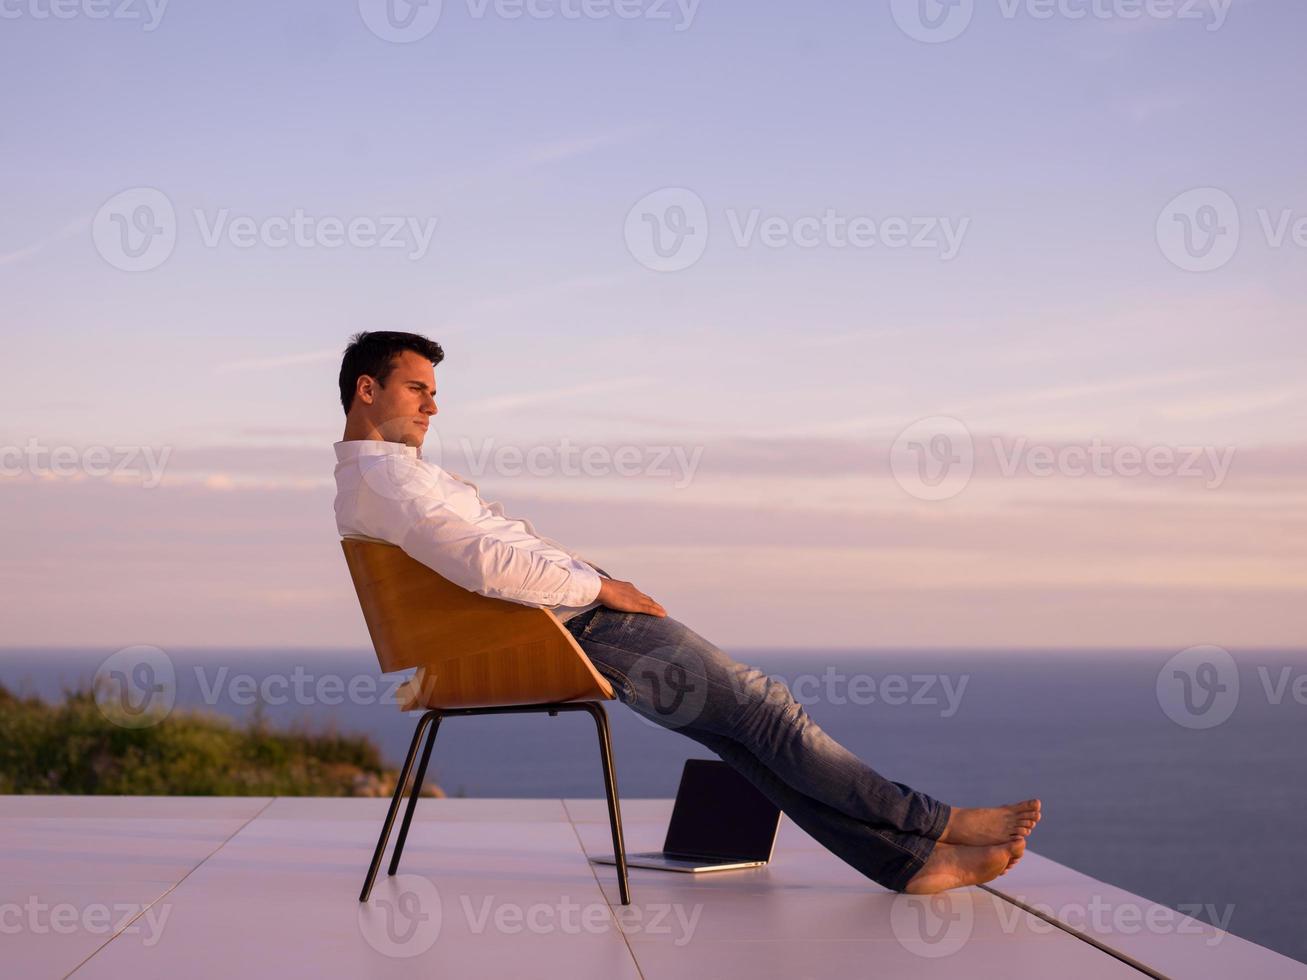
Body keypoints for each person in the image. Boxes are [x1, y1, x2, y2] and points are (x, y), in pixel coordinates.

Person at [332, 330, 1040, 894]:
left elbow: (483, 557)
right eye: (417, 389)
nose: (432, 406)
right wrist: (600, 588)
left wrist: (589, 579)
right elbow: (486, 565)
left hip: (559, 622)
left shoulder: (386, 481)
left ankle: (904, 864)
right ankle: (936, 823)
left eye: (434, 392)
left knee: (742, 737)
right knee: (767, 712)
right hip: (573, 628)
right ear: (368, 390)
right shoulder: (387, 481)